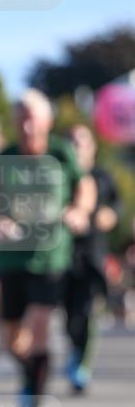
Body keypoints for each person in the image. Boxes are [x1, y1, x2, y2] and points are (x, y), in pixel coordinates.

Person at [0, 89, 94, 407]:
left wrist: (79, 210)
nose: (28, 124)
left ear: (46, 121)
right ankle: (30, 376)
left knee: (42, 324)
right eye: (21, 117)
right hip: (11, 258)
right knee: (12, 337)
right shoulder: (3, 158)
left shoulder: (62, 154)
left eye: (33, 117)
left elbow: (84, 186)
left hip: (50, 256)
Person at [64, 124, 120, 392]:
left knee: (88, 311)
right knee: (70, 316)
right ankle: (75, 350)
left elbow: (116, 206)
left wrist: (109, 215)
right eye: (73, 142)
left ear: (92, 147)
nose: (78, 148)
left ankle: (81, 366)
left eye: (82, 142)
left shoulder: (103, 177)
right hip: (64, 255)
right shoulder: (63, 176)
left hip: (93, 255)